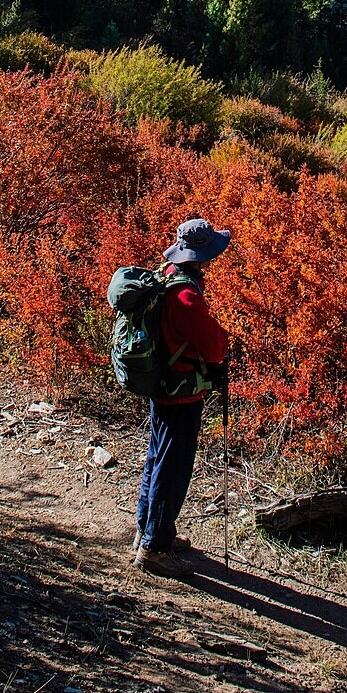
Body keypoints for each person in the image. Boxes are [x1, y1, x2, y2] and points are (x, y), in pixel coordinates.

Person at [133, 216, 230, 577]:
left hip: (161, 384)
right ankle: (155, 548)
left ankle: (149, 528)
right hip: (181, 391)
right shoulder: (186, 294)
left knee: (158, 456)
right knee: (173, 467)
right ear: (201, 255)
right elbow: (213, 347)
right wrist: (223, 340)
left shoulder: (166, 274)